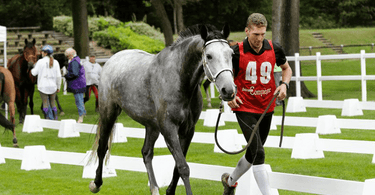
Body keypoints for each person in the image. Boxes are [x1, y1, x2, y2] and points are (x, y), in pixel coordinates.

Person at [221, 13, 292, 195]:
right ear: (247, 31)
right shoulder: (235, 51)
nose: (259, 39)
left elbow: (286, 69)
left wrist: (284, 84)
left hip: (266, 108)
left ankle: (230, 182)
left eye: (262, 34)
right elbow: (222, 76)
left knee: (253, 154)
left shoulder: (274, 48)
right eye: (255, 35)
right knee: (259, 153)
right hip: (244, 107)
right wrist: (229, 97)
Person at [31, 45, 62, 120]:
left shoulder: (40, 62)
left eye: (42, 51)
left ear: (45, 53)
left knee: (45, 103)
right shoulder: (56, 62)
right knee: (53, 103)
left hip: (43, 86)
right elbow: (58, 76)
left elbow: (33, 73)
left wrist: (33, 67)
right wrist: (58, 87)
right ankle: (55, 118)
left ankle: (47, 118)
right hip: (53, 86)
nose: (41, 52)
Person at [64, 48, 87, 123]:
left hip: (77, 84)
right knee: (80, 99)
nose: (67, 58)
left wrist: (66, 76)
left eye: (67, 56)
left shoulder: (74, 62)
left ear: (70, 55)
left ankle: (81, 117)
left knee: (78, 100)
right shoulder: (78, 59)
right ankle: (83, 112)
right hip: (81, 82)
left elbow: (74, 73)